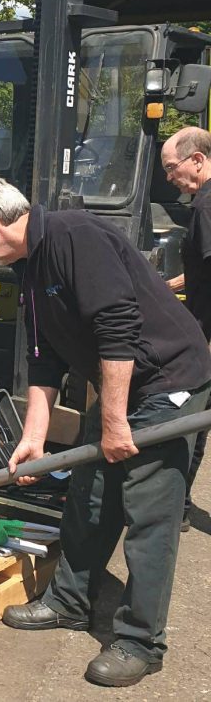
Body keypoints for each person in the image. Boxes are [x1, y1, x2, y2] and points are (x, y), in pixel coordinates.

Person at [0, 176, 211, 688]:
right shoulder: (30, 267)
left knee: (149, 514)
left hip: (166, 382)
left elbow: (117, 327)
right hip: (122, 385)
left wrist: (115, 422)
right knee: (90, 497)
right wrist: (34, 434)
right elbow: (43, 357)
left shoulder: (75, 236)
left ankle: (141, 642)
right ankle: (69, 602)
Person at [161, 126, 211, 531]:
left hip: (206, 336)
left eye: (171, 168)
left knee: (188, 415)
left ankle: (173, 507)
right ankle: (178, 506)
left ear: (197, 159)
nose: (169, 177)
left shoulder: (206, 208)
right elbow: (203, 272)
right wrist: (167, 287)